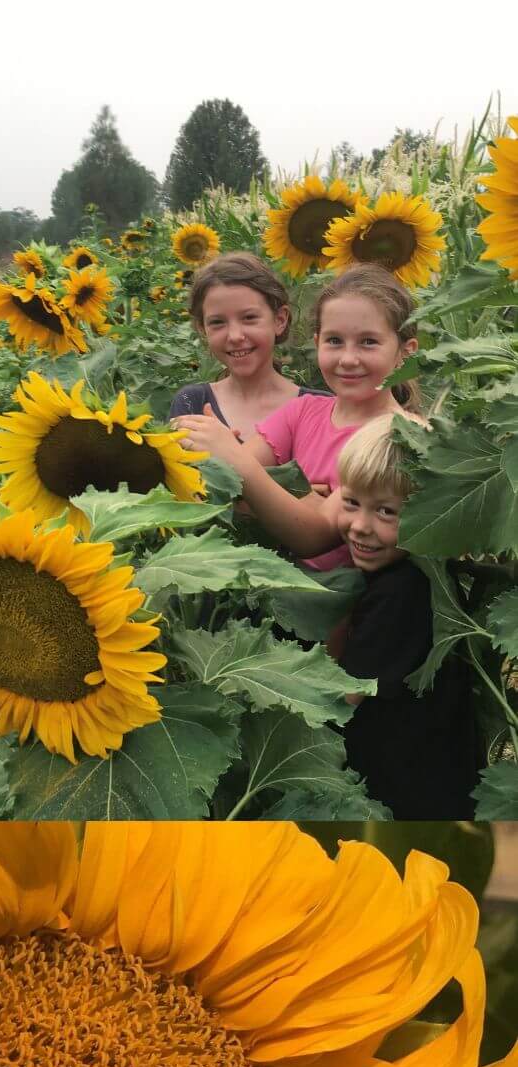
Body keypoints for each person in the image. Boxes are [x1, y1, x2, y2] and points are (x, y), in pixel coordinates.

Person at [175, 264, 419, 569]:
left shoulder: (400, 435)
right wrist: (284, 491)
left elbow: (313, 535)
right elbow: (223, 492)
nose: (348, 358)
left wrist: (235, 460)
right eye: (334, 341)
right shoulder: (302, 411)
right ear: (317, 343)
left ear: (406, 351)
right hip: (288, 588)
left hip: (360, 595)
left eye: (368, 342)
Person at [332, 413, 481, 817]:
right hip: (428, 776)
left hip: (401, 793)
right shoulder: (420, 572)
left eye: (385, 512)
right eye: (351, 502)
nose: (360, 526)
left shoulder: (403, 592)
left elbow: (343, 698)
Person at [169, 253, 314, 435]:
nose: (235, 336)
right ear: (203, 329)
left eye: (249, 318)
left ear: (279, 320)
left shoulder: (320, 410)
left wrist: (227, 449)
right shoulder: (191, 404)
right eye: (217, 322)